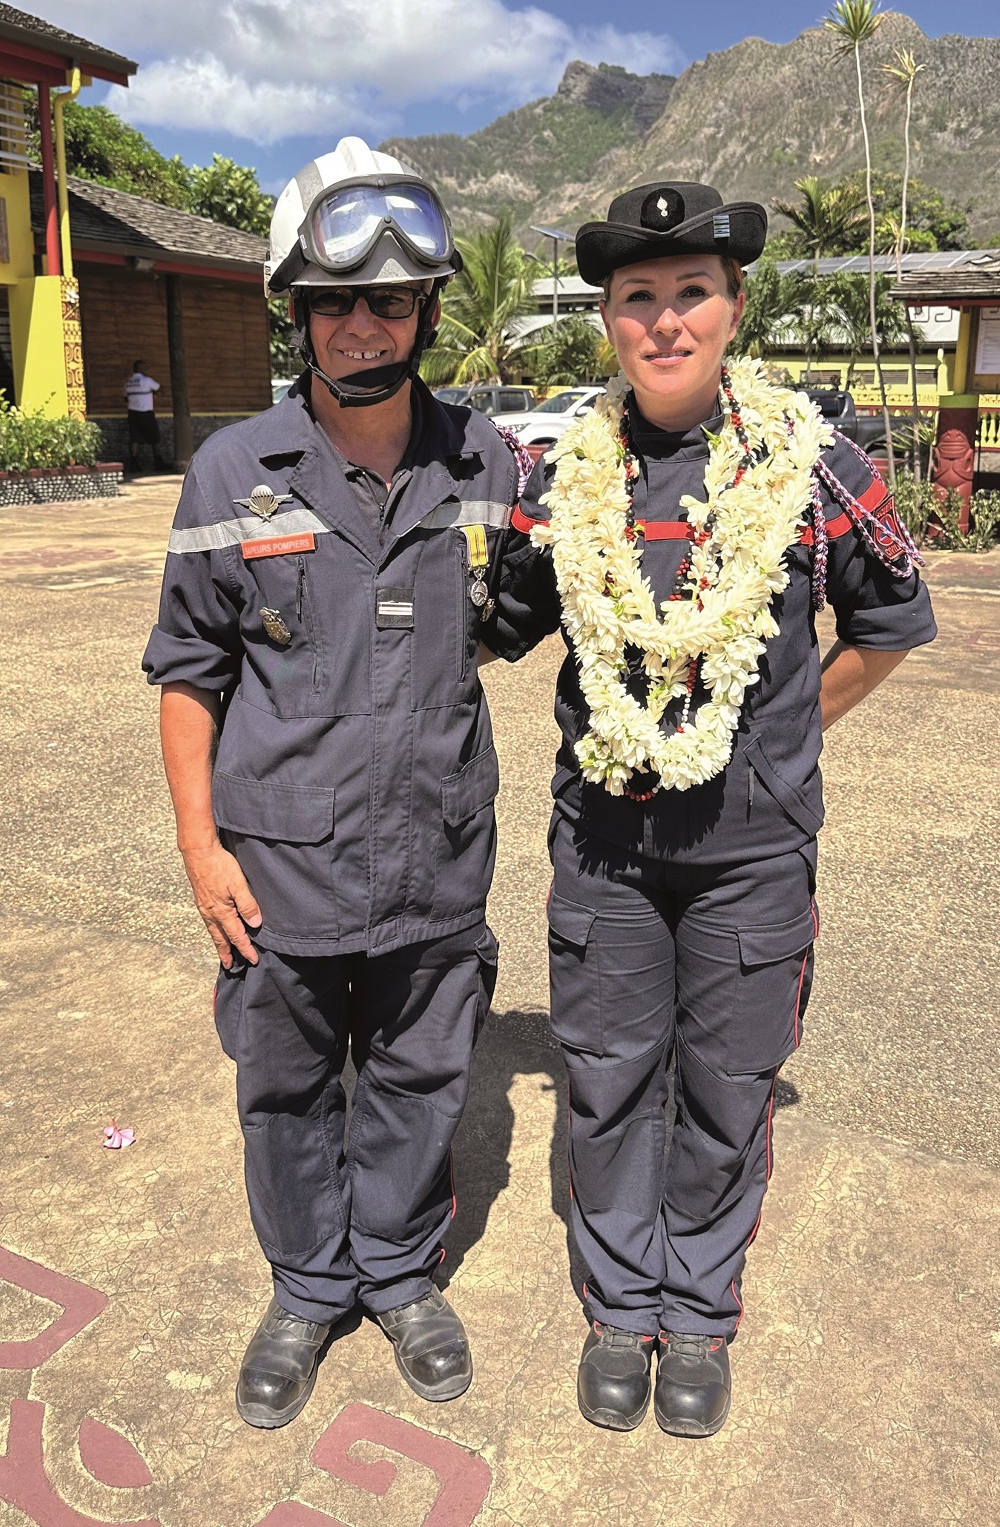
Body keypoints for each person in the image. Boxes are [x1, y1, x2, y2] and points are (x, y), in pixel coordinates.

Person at [483, 180, 937, 1439]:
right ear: (609, 322)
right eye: (638, 297)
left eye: (691, 292)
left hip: (751, 857)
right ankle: (619, 1309)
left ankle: (696, 1315)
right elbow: (500, 622)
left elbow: (889, 624)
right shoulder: (562, 474)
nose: (665, 319)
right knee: (607, 1079)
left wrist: (777, 737)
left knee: (728, 1086)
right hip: (605, 851)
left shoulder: (814, 460)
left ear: (734, 308)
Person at [143, 138, 525, 1430]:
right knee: (286, 1091)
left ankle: (402, 1276)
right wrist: (200, 850)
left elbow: (511, 619)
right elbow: (188, 670)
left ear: (426, 309)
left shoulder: (489, 463)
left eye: (392, 301)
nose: (364, 325)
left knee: (422, 1080)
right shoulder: (231, 472)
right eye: (336, 303)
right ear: (296, 314)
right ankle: (308, 1289)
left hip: (435, 855)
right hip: (279, 867)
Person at [124, 359, 168, 472]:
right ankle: (158, 463)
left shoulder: (128, 382)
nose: (146, 369)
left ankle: (134, 464)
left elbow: (125, 398)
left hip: (132, 413)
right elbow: (160, 388)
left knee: (135, 439)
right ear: (140, 368)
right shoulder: (146, 380)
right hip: (146, 413)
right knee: (155, 438)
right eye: (144, 367)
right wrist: (155, 394)